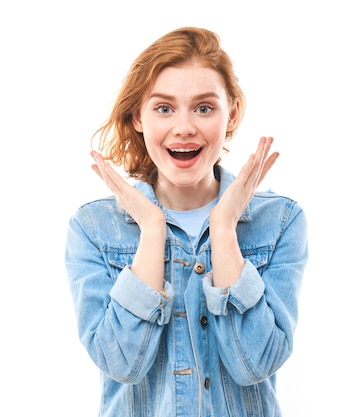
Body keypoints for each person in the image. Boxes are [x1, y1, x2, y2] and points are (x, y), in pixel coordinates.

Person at [65, 26, 308, 417]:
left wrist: (224, 230)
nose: (184, 127)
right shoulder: (93, 228)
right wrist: (152, 231)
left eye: (204, 107)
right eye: (164, 108)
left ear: (232, 114)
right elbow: (122, 365)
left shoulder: (279, 221)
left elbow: (255, 365)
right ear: (138, 117)